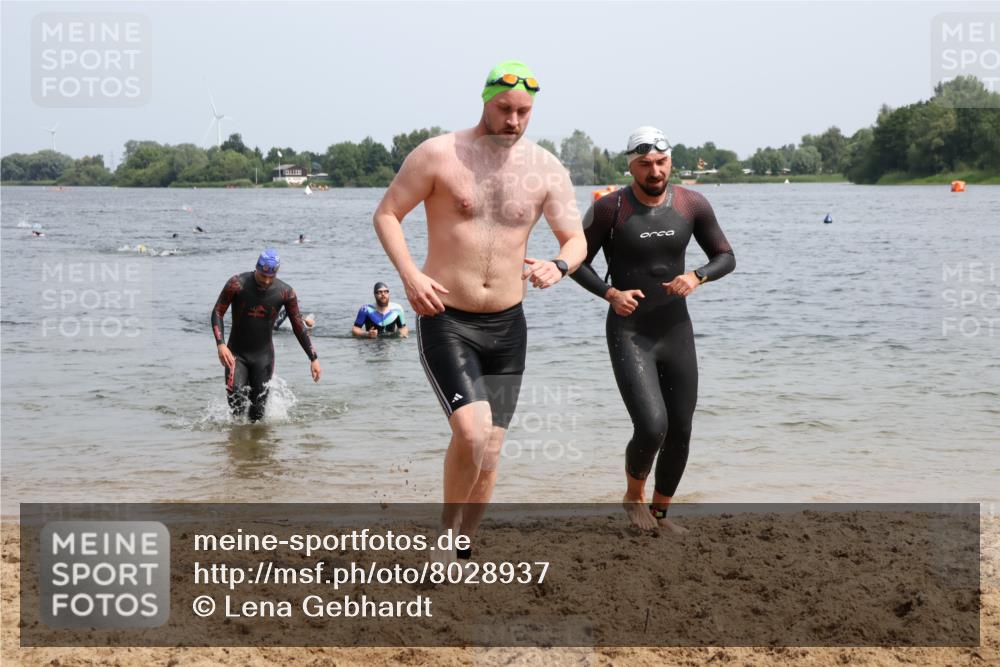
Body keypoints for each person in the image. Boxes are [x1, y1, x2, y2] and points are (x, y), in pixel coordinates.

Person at [373, 60, 586, 556]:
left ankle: (464, 546)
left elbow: (575, 238)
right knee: (471, 432)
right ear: (485, 102)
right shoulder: (438, 154)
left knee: (490, 450)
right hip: (446, 316)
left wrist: (560, 264)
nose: (513, 121)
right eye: (504, 109)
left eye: (524, 112)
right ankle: (445, 540)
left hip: (509, 325)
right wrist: (409, 274)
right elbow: (387, 214)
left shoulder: (546, 169)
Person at [571, 127, 735, 533]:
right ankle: (633, 498)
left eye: (661, 162)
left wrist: (697, 277)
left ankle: (661, 515)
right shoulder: (610, 209)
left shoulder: (692, 203)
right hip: (631, 331)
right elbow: (576, 261)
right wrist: (610, 293)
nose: (655, 170)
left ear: (670, 162)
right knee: (651, 426)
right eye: (645, 164)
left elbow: (725, 256)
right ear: (631, 165)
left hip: (676, 329)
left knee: (681, 427)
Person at [211, 249, 321, 422]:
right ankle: (235, 446)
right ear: (256, 268)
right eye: (263, 276)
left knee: (258, 412)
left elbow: (298, 325)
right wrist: (220, 344)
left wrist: (313, 358)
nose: (267, 281)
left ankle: (257, 448)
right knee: (237, 403)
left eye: (271, 276)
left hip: (263, 356)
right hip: (236, 354)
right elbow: (218, 312)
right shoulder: (237, 284)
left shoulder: (286, 292)